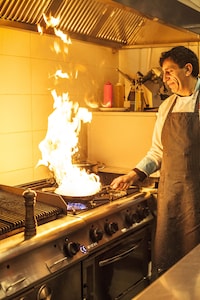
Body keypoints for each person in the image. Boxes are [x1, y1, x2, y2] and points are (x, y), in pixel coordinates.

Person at [111, 46, 200, 279]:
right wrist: (133, 175)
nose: (165, 78)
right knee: (170, 268)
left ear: (187, 69)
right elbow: (157, 152)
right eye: (164, 73)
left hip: (198, 198)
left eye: (169, 71)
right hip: (171, 198)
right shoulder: (166, 107)